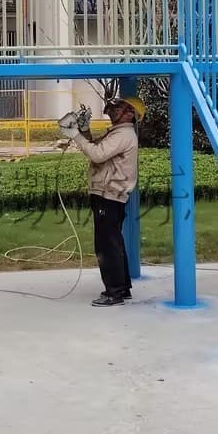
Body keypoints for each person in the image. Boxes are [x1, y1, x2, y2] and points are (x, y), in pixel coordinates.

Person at [60, 96, 143, 306]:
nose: (113, 108)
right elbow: (95, 147)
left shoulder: (123, 134)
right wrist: (84, 130)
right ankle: (122, 287)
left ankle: (114, 293)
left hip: (109, 196)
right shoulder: (118, 133)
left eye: (120, 107)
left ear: (130, 114)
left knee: (107, 246)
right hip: (109, 195)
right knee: (114, 242)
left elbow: (97, 155)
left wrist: (74, 134)